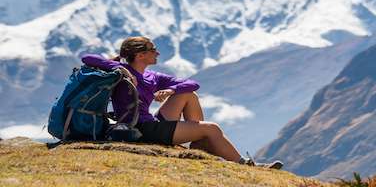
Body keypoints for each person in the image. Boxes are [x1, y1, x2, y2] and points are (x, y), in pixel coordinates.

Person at [82, 36, 283, 169]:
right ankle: (246, 166)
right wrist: (121, 68)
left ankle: (199, 145)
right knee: (212, 128)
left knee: (188, 95)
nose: (157, 53)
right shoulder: (119, 70)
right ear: (141, 55)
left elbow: (192, 84)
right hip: (139, 128)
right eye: (153, 50)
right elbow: (87, 58)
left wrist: (171, 90)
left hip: (151, 122)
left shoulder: (153, 76)